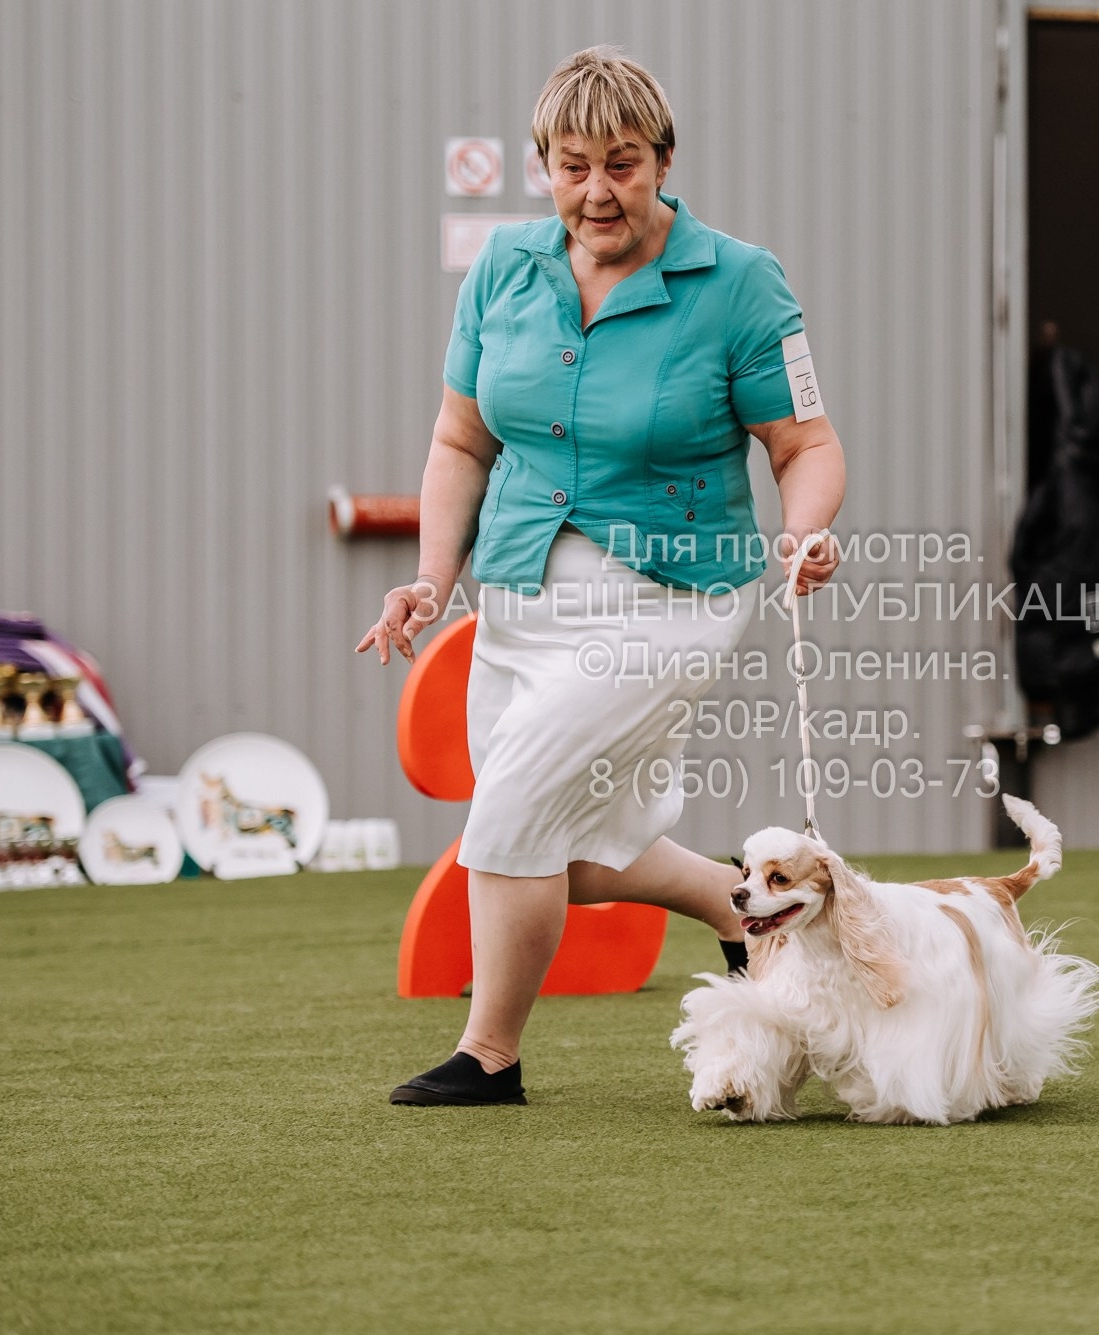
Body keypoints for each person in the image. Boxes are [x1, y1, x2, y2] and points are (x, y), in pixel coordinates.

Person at [355, 46, 845, 1107]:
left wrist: (804, 532)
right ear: (542, 167)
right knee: (555, 842)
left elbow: (804, 445)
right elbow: (459, 440)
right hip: (521, 592)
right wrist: (433, 575)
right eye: (572, 165)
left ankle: (489, 1056)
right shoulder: (502, 268)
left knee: (513, 818)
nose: (595, 191)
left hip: (671, 598)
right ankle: (733, 906)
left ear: (662, 161)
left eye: (620, 164)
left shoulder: (739, 281)